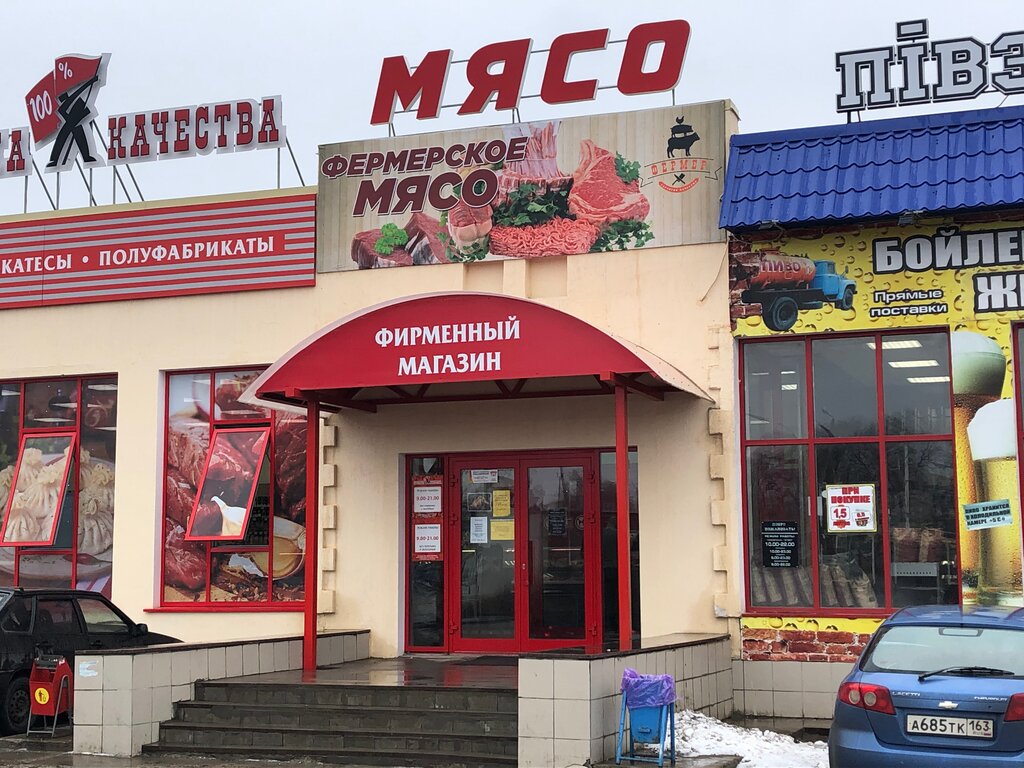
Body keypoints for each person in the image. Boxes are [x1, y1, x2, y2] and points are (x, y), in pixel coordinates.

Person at [46, 76, 99, 169]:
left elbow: (63, 109)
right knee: (63, 140)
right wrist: (90, 82)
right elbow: (61, 110)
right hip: (71, 122)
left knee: (79, 137)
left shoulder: (76, 101)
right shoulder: (70, 100)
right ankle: (54, 160)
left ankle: (86, 157)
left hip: (74, 121)